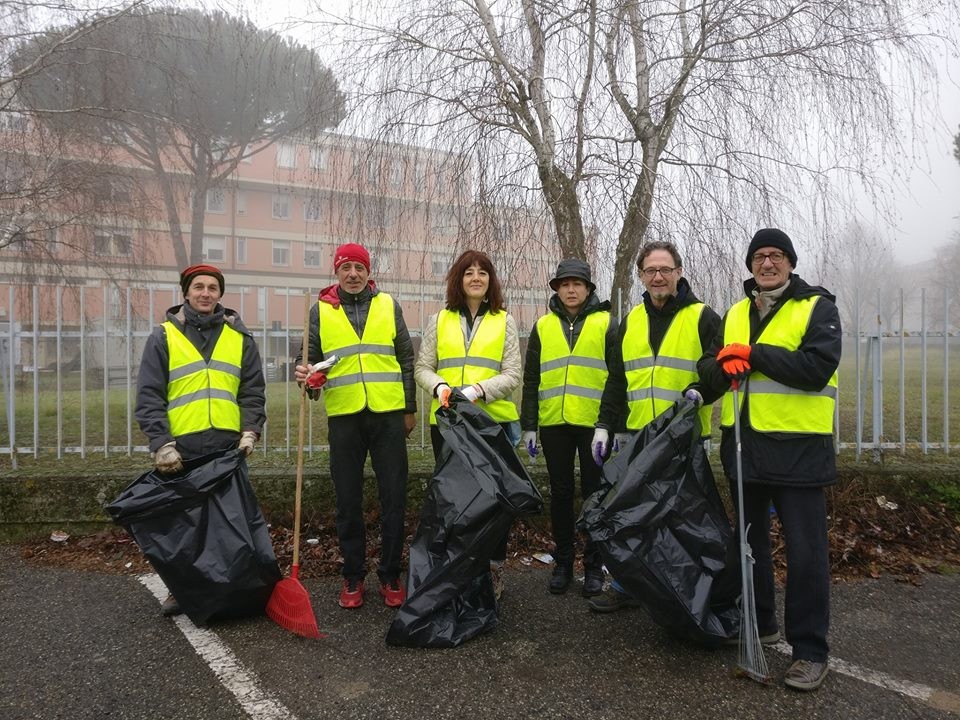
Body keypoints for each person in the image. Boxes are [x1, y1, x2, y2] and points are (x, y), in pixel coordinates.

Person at [697, 228, 840, 691]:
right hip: (745, 447)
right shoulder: (737, 311)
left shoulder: (817, 307)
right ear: (750, 265)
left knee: (806, 554)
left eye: (776, 255)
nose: (767, 263)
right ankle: (760, 624)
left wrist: (753, 354)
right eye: (759, 256)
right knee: (750, 548)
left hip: (798, 451)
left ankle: (810, 650)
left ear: (790, 262)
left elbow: (816, 369)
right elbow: (712, 369)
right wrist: (722, 367)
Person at [587, 240, 721, 612]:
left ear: (679, 272)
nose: (658, 276)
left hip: (684, 439)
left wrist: (700, 394)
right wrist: (603, 425)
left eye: (665, 269)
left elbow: (718, 371)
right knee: (634, 515)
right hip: (638, 438)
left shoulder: (703, 317)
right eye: (650, 271)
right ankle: (627, 585)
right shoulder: (631, 320)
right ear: (641, 277)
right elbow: (617, 380)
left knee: (683, 520)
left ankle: (687, 595)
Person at [135, 263, 267, 617]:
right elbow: (150, 394)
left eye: (212, 287)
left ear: (220, 294)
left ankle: (231, 588)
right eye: (199, 287)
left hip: (226, 445)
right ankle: (180, 590)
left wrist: (249, 431)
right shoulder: (163, 336)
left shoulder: (238, 337)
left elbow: (252, 391)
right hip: (183, 447)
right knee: (185, 524)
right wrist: (161, 443)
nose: (205, 293)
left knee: (230, 522)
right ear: (186, 292)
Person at [294, 242, 417, 610]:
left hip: (388, 416)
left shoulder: (388, 305)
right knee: (348, 500)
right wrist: (305, 377)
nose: (352, 274)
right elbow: (308, 363)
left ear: (368, 272)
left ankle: (391, 573)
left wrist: (409, 409)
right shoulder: (319, 312)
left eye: (358, 268)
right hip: (345, 417)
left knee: (394, 497)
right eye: (346, 267)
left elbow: (406, 358)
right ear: (337, 272)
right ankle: (352, 575)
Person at [414, 249, 521, 600]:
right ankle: (458, 569)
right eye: (468, 272)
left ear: (491, 280)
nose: (476, 277)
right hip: (447, 424)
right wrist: (440, 386)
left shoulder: (505, 321)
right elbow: (422, 368)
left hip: (491, 424)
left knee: (495, 500)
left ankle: (494, 570)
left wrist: (477, 391)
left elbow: (513, 375)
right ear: (458, 280)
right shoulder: (438, 320)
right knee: (454, 499)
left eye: (483, 272)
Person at [520, 258, 617, 597]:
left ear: (589, 288)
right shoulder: (543, 326)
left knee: (595, 495)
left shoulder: (607, 324)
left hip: (593, 426)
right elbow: (531, 378)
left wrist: (609, 424)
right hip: (554, 424)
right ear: (557, 289)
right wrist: (529, 425)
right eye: (564, 284)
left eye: (577, 283)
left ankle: (593, 565)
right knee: (560, 494)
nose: (571, 289)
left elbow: (617, 379)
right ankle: (563, 562)